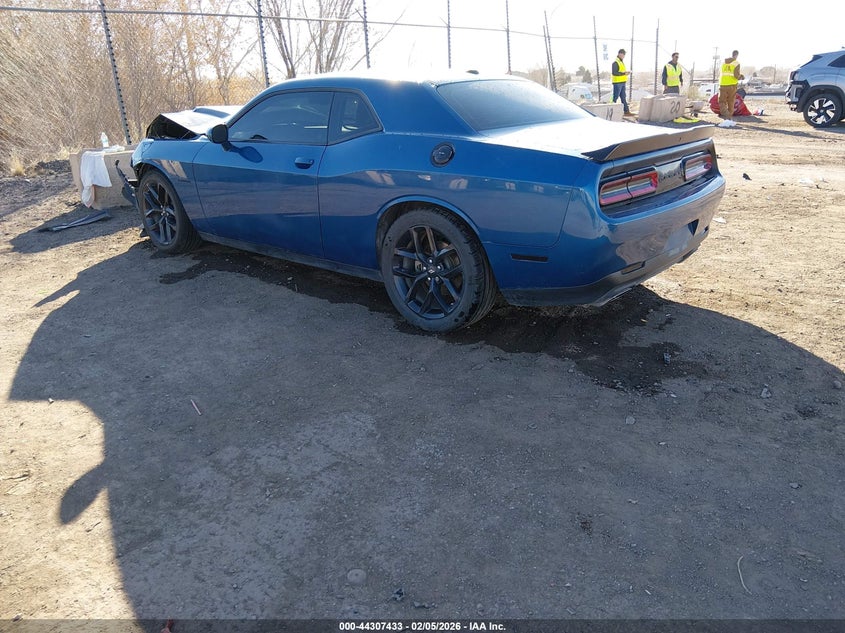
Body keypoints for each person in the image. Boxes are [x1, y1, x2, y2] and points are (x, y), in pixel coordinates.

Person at [718, 50, 744, 127]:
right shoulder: (736, 63)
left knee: (722, 101)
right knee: (731, 101)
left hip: (723, 84)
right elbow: (736, 75)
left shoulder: (723, 63)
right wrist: (741, 77)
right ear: (736, 55)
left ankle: (727, 117)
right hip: (732, 85)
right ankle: (729, 116)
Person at [611, 48, 633, 116]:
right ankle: (610, 110)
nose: (624, 56)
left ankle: (626, 111)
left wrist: (626, 73)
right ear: (619, 54)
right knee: (615, 97)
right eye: (623, 54)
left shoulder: (621, 62)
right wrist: (624, 73)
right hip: (617, 83)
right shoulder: (615, 62)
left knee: (623, 97)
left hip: (622, 82)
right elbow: (614, 73)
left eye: (624, 54)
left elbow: (621, 72)